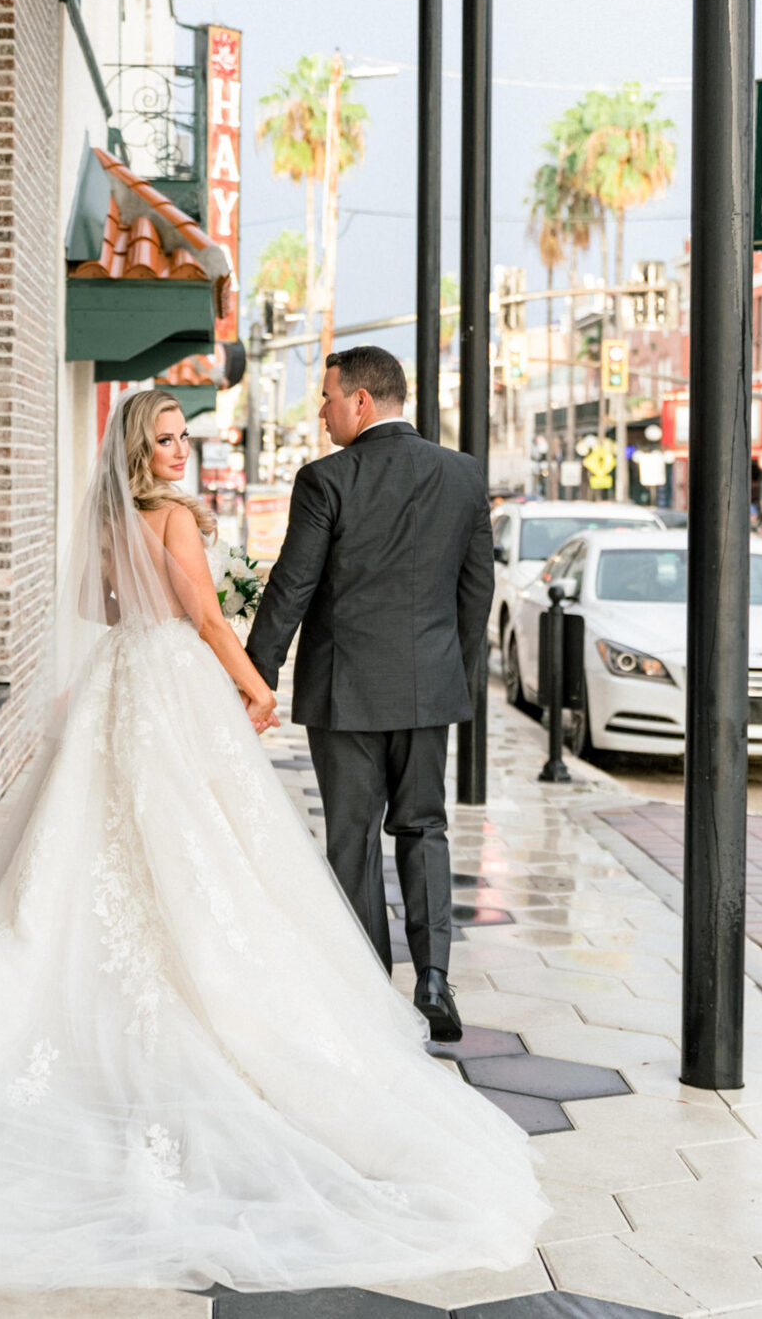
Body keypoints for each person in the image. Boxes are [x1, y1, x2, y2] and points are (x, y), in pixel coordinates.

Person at [0, 390, 547, 1292]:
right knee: (208, 846)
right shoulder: (179, 520)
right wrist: (256, 684)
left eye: (180, 437)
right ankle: (345, 984)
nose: (176, 450)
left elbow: (100, 604)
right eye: (163, 439)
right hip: (177, 684)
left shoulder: (120, 519)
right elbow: (204, 620)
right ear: (141, 449)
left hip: (120, 677)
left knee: (101, 843)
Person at [246, 346, 494, 1042]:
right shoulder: (464, 476)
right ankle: (436, 979)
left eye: (326, 398)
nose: (321, 412)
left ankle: (371, 990)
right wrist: (455, 681)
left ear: (359, 401)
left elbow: (290, 589)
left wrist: (252, 677)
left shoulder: (326, 479)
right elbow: (476, 595)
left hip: (344, 693)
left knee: (351, 839)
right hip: (428, 691)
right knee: (424, 828)